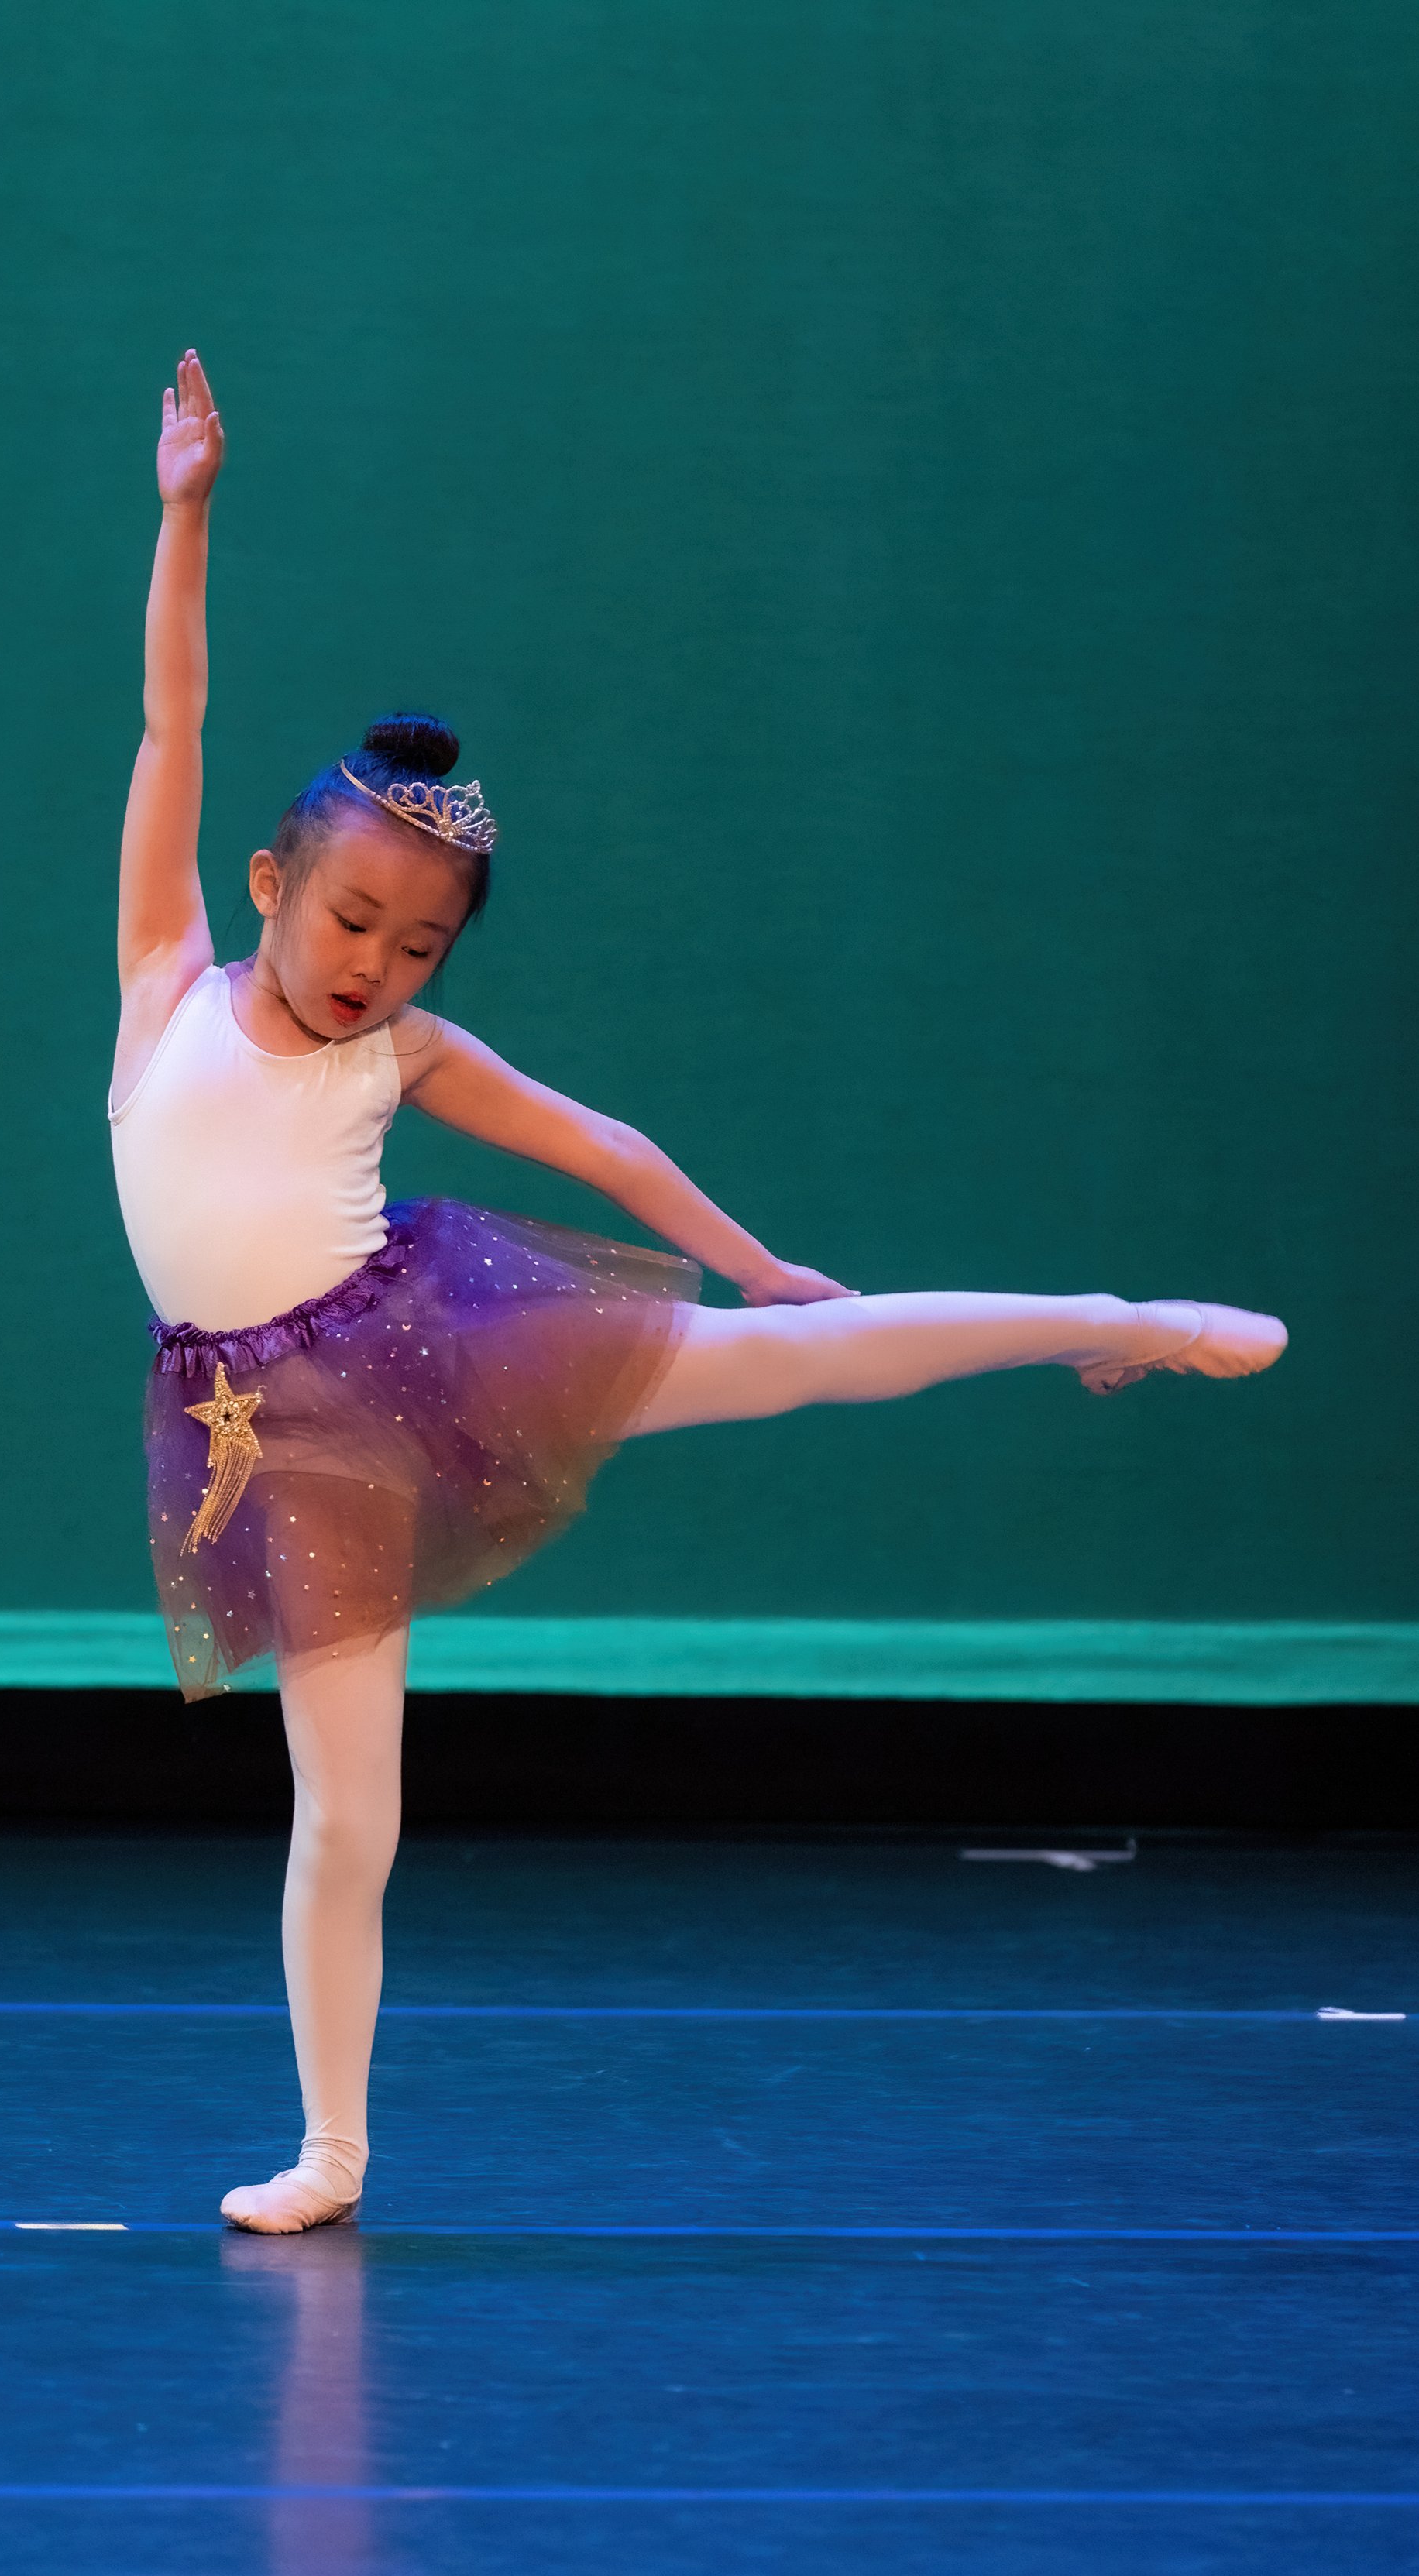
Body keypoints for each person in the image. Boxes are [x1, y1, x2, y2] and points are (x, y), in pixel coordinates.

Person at [107, 352, 1287, 2234]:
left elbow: (600, 1145)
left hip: (426, 1342)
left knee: (792, 1360)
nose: (373, 964)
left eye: (415, 948)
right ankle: (331, 2149)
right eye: (348, 922)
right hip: (270, 1433)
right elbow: (170, 724)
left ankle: (1110, 1320)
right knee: (353, 1818)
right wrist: (185, 513)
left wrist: (749, 1261)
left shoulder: (398, 1058)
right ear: (265, 883)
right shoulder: (163, 970)